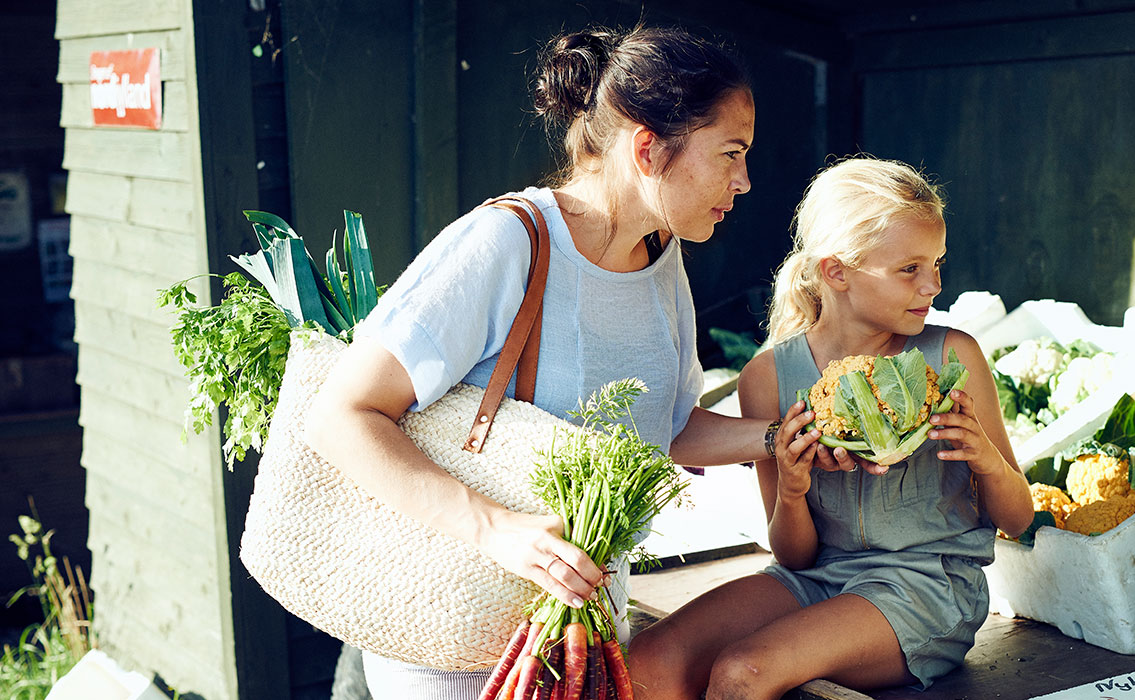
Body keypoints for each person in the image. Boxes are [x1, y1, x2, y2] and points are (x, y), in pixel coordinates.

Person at [304, 24, 856, 699]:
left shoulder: (661, 257)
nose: (744, 181)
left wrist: (781, 440)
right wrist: (499, 530)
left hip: (581, 635)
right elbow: (340, 414)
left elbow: (667, 427)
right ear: (648, 150)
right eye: (730, 154)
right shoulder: (506, 242)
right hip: (456, 641)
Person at [627, 157, 1036, 699]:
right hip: (814, 579)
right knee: (645, 665)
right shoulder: (769, 376)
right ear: (836, 271)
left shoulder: (951, 355)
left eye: (936, 263)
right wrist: (793, 491)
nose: (933, 284)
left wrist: (985, 459)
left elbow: (1020, 518)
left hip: (928, 587)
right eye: (909, 269)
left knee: (741, 673)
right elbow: (794, 556)